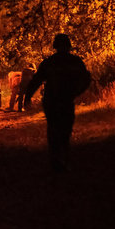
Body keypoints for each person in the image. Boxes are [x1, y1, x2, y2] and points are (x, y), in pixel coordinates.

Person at [24, 34, 91, 172]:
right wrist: (77, 92)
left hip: (52, 101)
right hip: (65, 100)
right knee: (65, 130)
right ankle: (63, 159)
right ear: (68, 46)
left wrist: (27, 98)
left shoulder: (50, 62)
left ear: (55, 46)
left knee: (54, 130)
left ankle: (56, 160)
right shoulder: (75, 62)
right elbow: (86, 79)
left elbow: (36, 81)